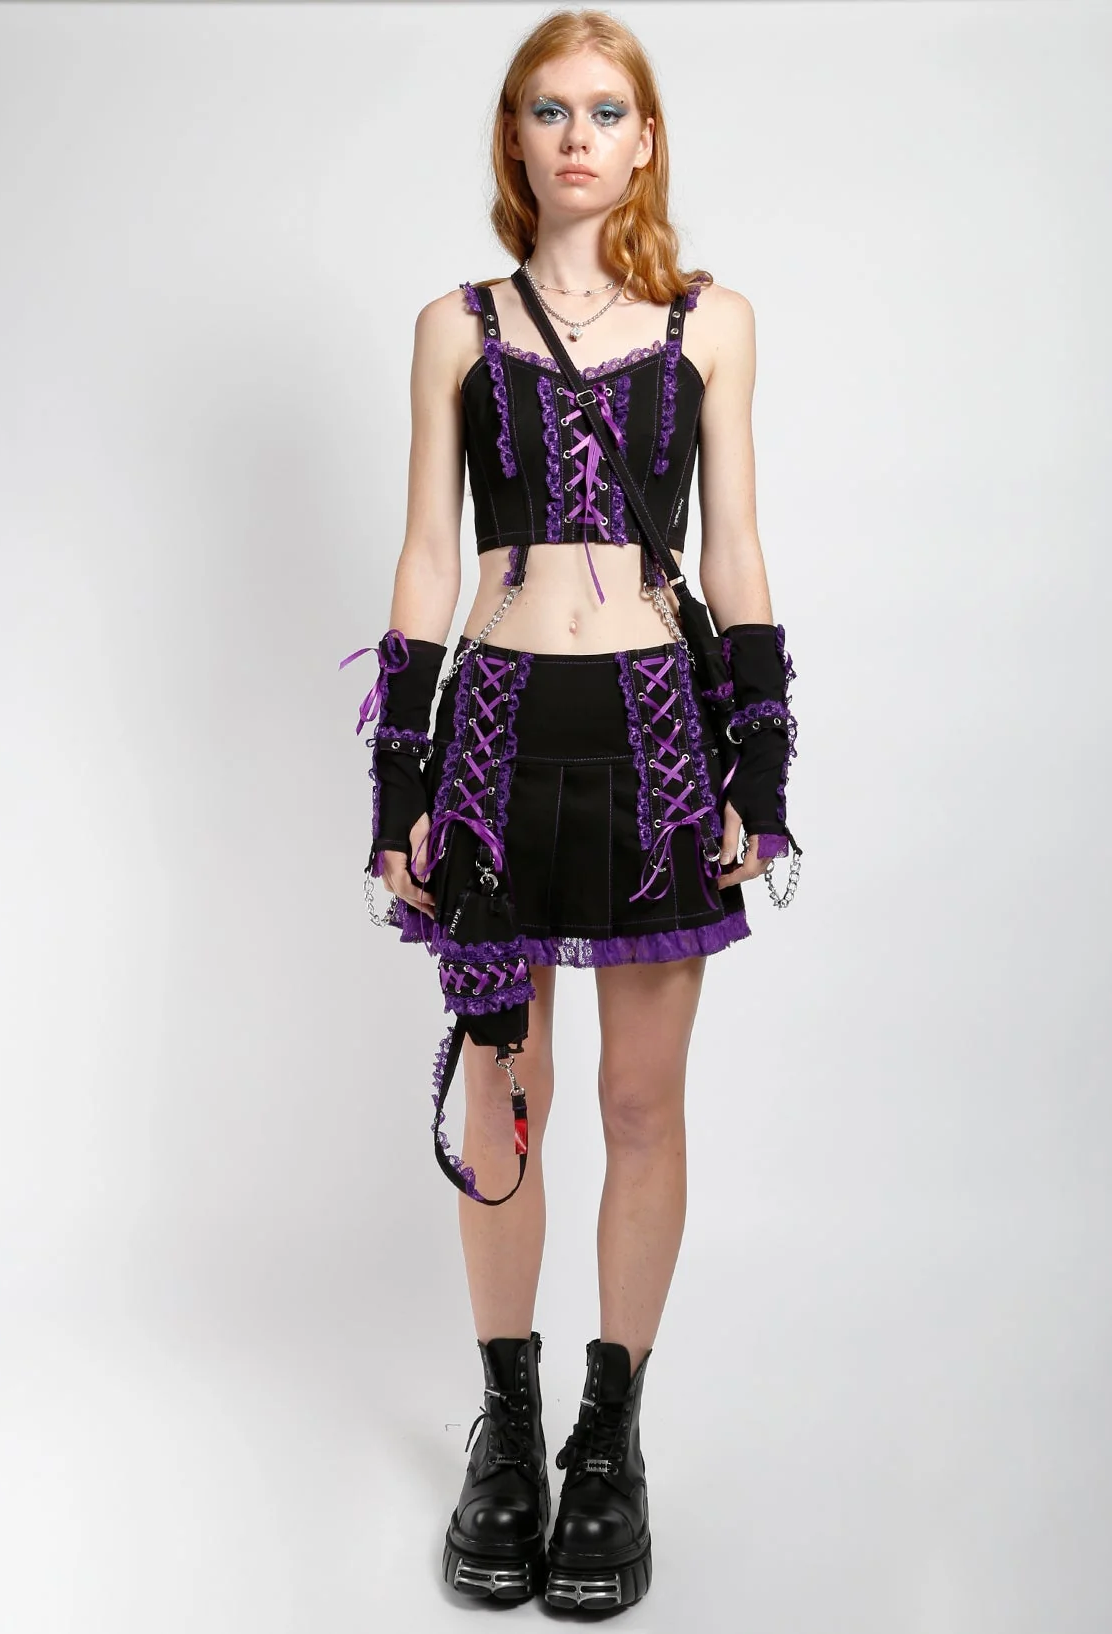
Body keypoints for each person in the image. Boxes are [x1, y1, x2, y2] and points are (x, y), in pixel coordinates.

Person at [340, 8, 799, 1614]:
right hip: (498, 735)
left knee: (643, 1103)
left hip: (660, 734)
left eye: (608, 109)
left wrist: (762, 767)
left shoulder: (715, 322)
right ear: (517, 140)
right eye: (552, 110)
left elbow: (734, 546)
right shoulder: (454, 327)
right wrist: (399, 776)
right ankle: (508, 1431)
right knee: (506, 1101)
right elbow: (426, 552)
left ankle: (611, 1439)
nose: (580, 135)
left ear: (645, 138)